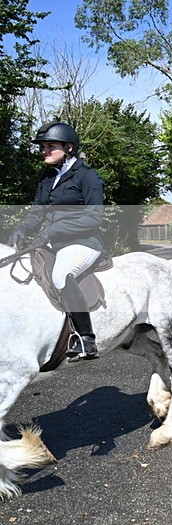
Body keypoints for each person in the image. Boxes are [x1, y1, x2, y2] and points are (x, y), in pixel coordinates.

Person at [7, 122, 105, 360]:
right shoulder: (48, 177)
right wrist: (21, 230)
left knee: (61, 276)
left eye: (50, 146)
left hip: (84, 241)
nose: (44, 150)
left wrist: (54, 230)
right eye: (43, 146)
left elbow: (94, 217)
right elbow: (37, 211)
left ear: (69, 148)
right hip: (56, 242)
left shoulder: (87, 177)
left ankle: (86, 339)